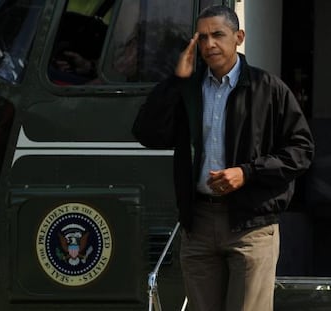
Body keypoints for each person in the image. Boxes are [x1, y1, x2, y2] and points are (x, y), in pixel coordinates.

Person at [132, 5, 314, 311]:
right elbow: (147, 133)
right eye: (202, 38)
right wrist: (175, 81)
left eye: (218, 34)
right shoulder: (187, 90)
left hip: (251, 225)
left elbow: (301, 151)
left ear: (239, 37)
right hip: (199, 224)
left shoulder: (267, 88)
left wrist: (247, 173)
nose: (209, 44)